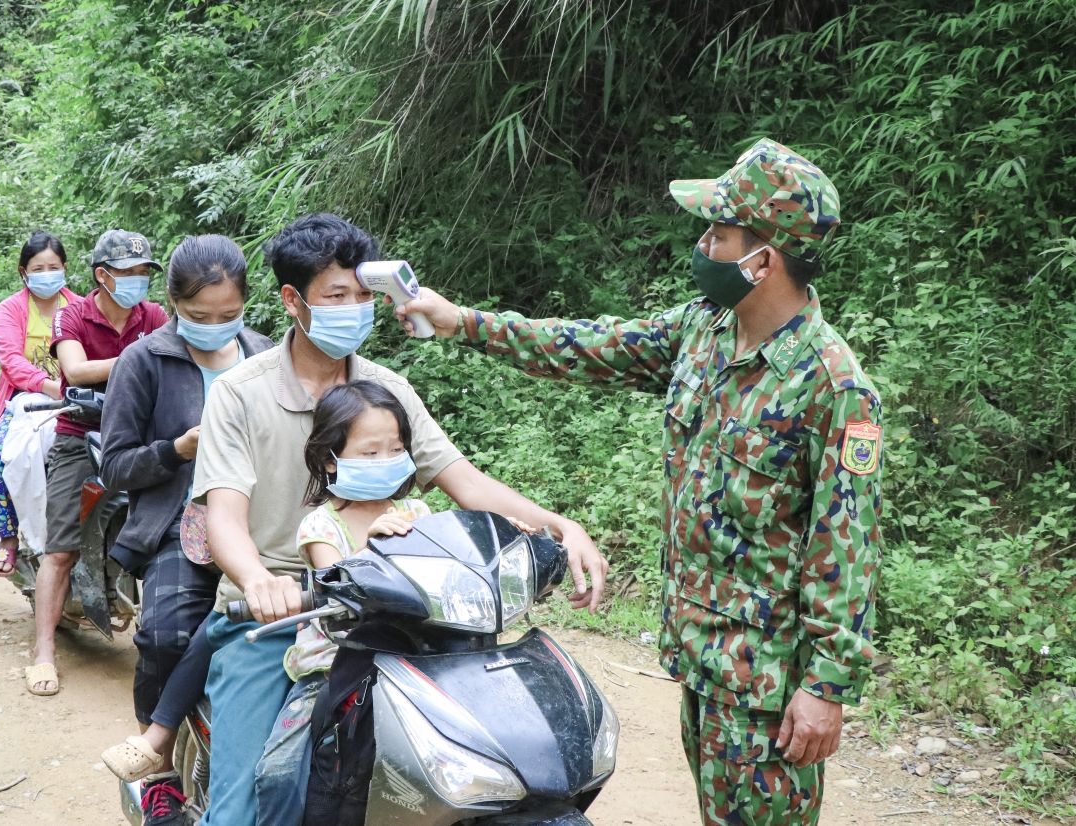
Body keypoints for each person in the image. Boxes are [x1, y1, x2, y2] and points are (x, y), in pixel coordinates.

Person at [398, 139, 884, 826]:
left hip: (770, 684)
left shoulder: (832, 386)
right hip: (704, 655)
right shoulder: (705, 330)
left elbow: (846, 548)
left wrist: (827, 687)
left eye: (718, 233)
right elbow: (585, 346)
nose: (703, 245)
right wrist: (463, 322)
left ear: (763, 260)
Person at [189, 212, 608, 826]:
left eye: (364, 296)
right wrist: (259, 581)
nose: (354, 308)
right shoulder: (240, 392)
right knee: (247, 808)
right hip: (290, 616)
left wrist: (557, 525)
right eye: (337, 296)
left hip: (404, 610)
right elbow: (225, 514)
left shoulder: (386, 389)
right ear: (292, 300)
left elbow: (464, 482)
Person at [95, 235, 275, 823]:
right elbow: (116, 465)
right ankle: (161, 770)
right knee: (168, 636)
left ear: (247, 304)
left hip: (260, 521)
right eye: (199, 317)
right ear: (172, 304)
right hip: (178, 524)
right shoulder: (142, 360)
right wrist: (178, 448)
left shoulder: (265, 353)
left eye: (228, 314)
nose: (215, 326)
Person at [254, 379, 432, 825]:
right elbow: (337, 579)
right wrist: (369, 547)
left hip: (412, 662)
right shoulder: (321, 526)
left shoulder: (418, 515)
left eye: (395, 449)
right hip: (332, 669)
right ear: (329, 461)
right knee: (278, 773)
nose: (387, 461)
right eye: (370, 453)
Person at [25, 229, 168, 697]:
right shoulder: (74, 315)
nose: (138, 281)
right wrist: (140, 356)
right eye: (128, 273)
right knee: (61, 549)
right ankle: (43, 650)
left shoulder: (154, 314)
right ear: (103, 276)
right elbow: (76, 370)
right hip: (79, 432)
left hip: (144, 435)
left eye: (144, 272)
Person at [0, 231, 80, 576]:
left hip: (76, 398)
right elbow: (11, 360)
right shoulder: (11, 309)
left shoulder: (79, 307)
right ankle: (8, 538)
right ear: (23, 272)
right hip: (26, 399)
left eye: (52, 267)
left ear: (65, 268)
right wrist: (51, 385)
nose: (46, 274)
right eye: (37, 268)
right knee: (4, 454)